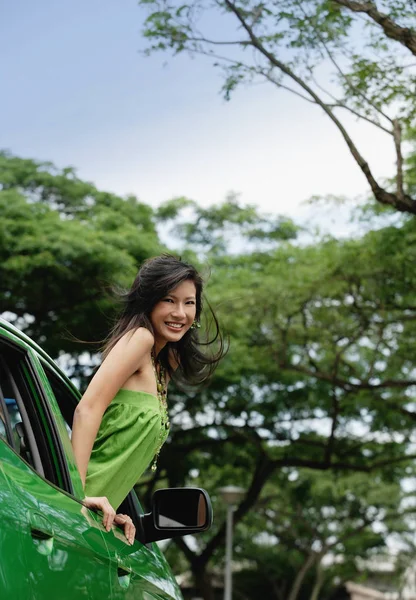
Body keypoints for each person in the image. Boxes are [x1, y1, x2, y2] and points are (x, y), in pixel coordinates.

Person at [71, 254, 226, 544]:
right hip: (69, 512)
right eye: (169, 300)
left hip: (93, 524)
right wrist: (76, 496)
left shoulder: (165, 364)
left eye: (189, 302)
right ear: (149, 301)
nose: (180, 313)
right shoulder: (140, 339)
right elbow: (87, 409)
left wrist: (114, 507)